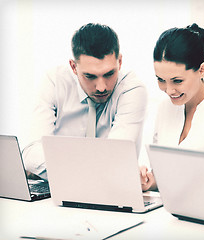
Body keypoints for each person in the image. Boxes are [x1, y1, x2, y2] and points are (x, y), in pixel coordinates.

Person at [24, 23, 147, 179]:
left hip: (111, 194)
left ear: (120, 62)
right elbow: (31, 153)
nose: (101, 87)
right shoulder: (54, 82)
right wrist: (100, 168)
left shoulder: (132, 89)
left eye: (109, 74)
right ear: (73, 67)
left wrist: (53, 166)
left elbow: (116, 157)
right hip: (59, 191)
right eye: (90, 76)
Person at [141, 23, 204, 191]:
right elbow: (164, 174)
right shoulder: (164, 107)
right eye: (161, 80)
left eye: (177, 81)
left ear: (202, 70)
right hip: (170, 206)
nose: (169, 90)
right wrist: (149, 181)